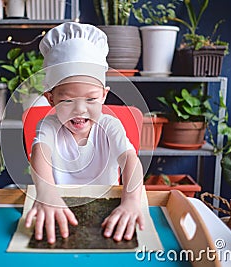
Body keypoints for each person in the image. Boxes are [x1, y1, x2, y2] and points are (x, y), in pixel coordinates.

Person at [24, 22, 145, 244]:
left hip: (105, 210)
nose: (80, 109)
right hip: (58, 207)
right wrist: (47, 193)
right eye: (68, 100)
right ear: (51, 99)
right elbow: (39, 153)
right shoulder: (48, 125)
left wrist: (131, 200)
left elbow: (130, 160)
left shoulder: (109, 126)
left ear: (104, 95)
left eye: (91, 99)